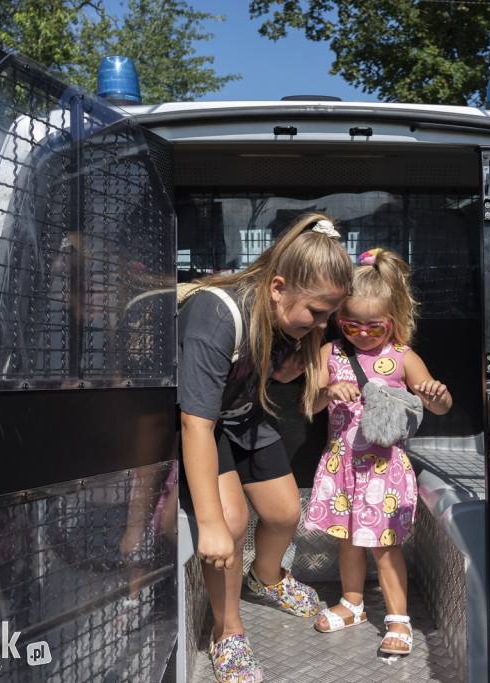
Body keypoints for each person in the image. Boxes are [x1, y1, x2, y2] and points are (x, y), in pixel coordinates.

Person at [160, 212, 354, 683]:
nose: (324, 325)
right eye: (317, 313)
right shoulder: (217, 313)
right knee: (230, 523)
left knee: (287, 512)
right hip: (205, 425)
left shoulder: (288, 326)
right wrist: (209, 524)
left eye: (330, 315)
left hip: (243, 415)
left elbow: (274, 370)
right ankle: (227, 632)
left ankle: (265, 578)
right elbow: (195, 423)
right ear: (278, 287)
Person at [303, 247, 452, 656]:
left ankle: (399, 619)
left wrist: (436, 394)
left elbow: (437, 404)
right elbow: (309, 404)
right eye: (352, 324)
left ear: (395, 320)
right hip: (342, 466)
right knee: (347, 540)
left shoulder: (403, 357)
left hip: (383, 471)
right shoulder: (328, 354)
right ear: (338, 318)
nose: (362, 333)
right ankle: (353, 604)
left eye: (374, 326)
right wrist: (326, 391)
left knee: (384, 545)